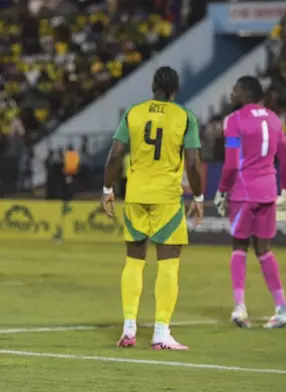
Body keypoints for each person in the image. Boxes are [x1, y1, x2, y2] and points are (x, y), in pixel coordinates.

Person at [102, 66, 204, 350]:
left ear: (153, 86)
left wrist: (108, 190)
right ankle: (160, 332)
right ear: (176, 89)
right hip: (168, 197)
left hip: (135, 193)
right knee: (168, 263)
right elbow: (193, 164)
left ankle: (129, 328)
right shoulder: (185, 117)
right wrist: (198, 196)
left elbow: (115, 155)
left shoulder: (133, 113)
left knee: (134, 261)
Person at [214, 76, 286, 329]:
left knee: (239, 246)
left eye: (235, 90)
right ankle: (282, 309)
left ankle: (239, 308)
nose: (231, 95)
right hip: (268, 191)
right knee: (264, 250)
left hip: (243, 191)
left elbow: (230, 162)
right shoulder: (274, 120)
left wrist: (222, 190)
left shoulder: (234, 121)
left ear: (246, 93)